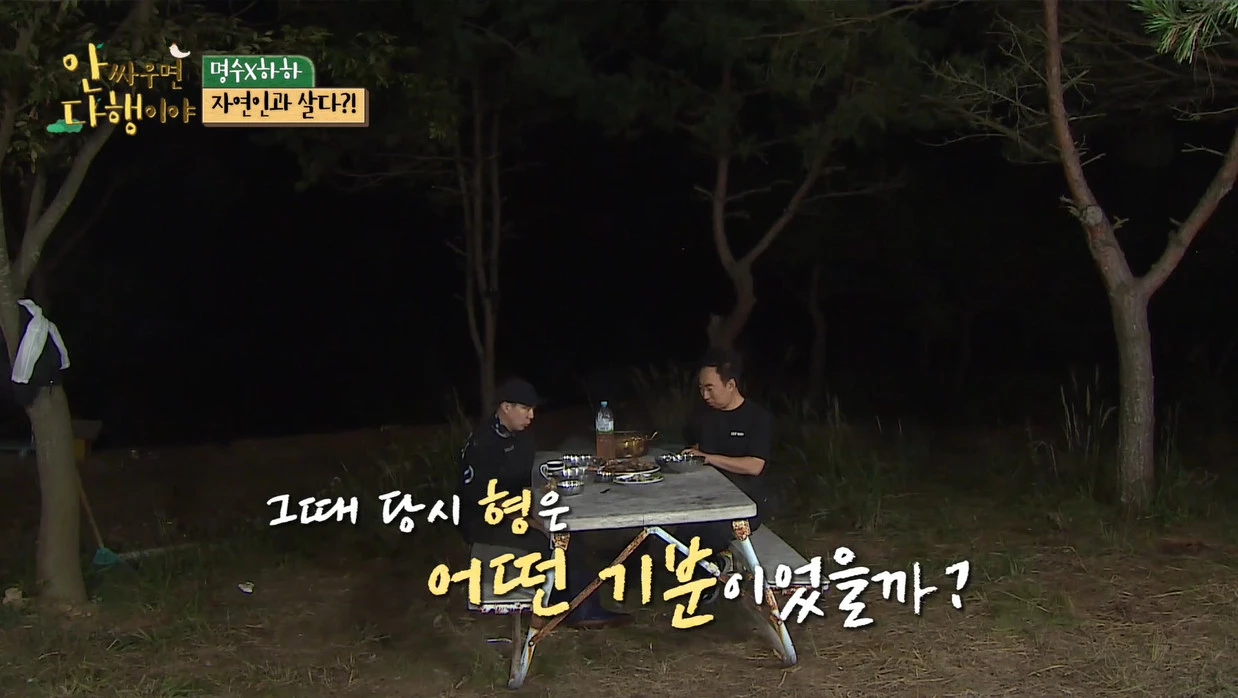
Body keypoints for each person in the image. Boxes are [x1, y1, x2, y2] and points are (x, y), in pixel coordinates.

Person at [457, 377, 632, 629]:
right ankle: (583, 611)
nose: (531, 416)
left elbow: (526, 480)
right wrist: (536, 524)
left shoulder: (521, 436)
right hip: (483, 521)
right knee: (556, 541)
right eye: (525, 409)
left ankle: (568, 601)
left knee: (568, 532)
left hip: (515, 511)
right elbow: (487, 502)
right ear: (506, 407)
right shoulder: (483, 443)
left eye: (533, 409)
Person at [667, 348, 774, 593]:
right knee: (678, 537)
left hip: (746, 501)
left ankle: (714, 575)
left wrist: (710, 458)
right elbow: (697, 448)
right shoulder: (704, 416)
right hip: (707, 497)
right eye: (701, 389)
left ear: (731, 385)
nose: (705, 395)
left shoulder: (757, 418)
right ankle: (715, 569)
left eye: (710, 388)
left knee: (704, 537)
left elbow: (755, 465)